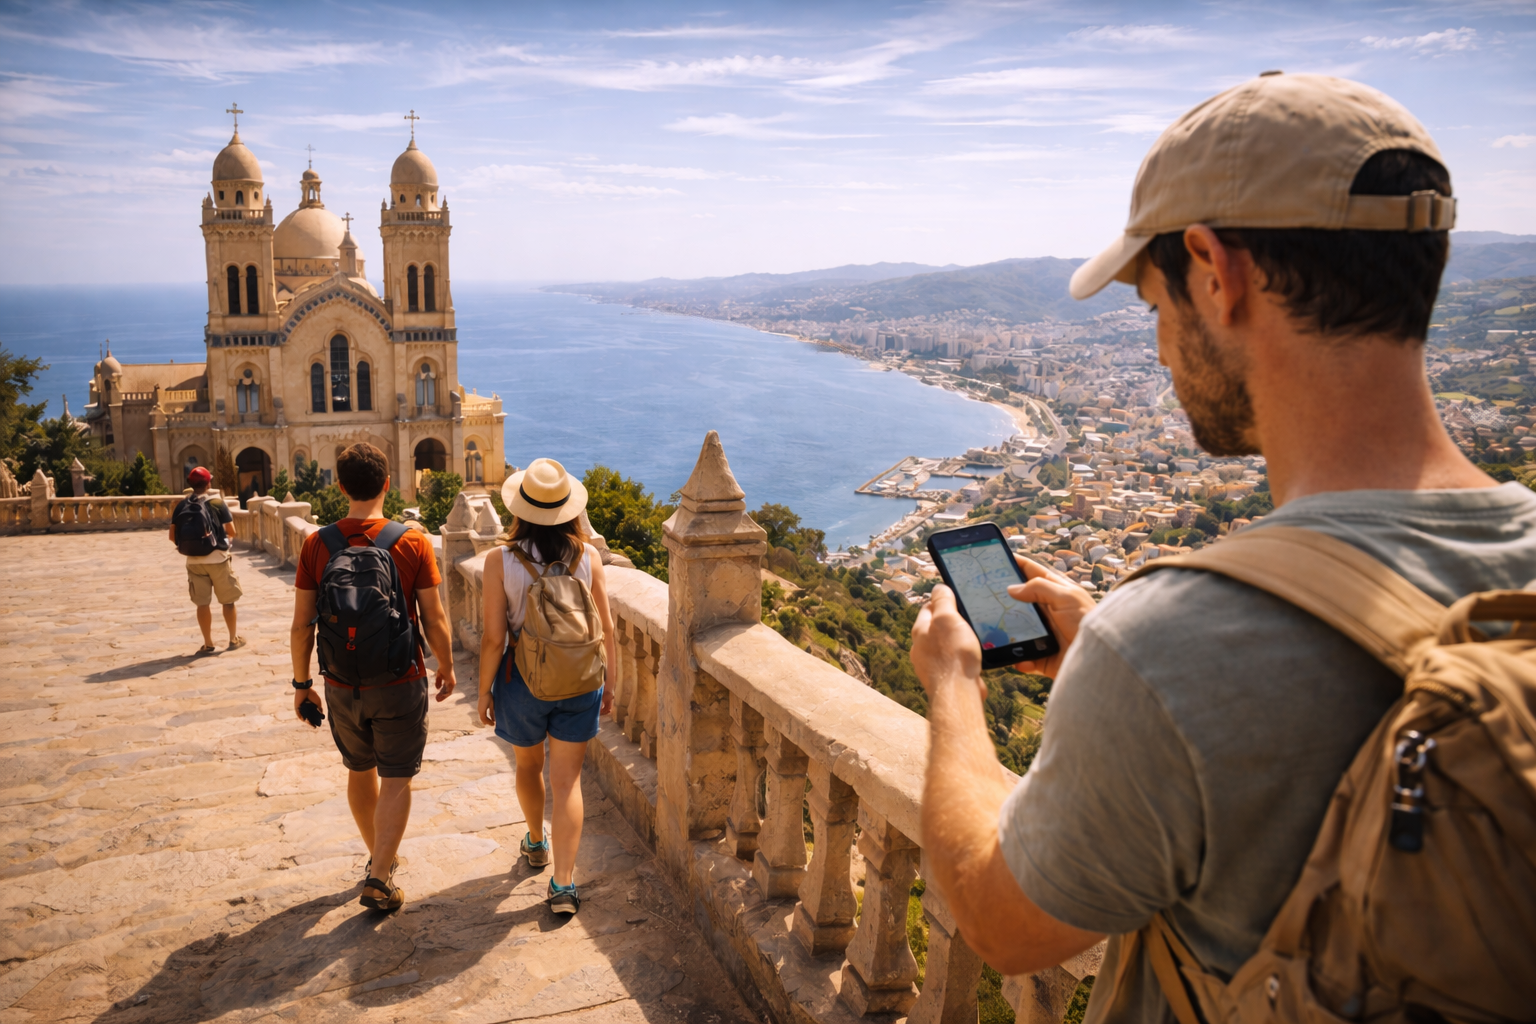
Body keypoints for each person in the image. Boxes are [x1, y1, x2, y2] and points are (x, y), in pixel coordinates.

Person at [909, 73, 1536, 1022]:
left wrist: (954, 687)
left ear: (1214, 268)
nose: (1161, 342)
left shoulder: (1173, 645)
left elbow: (1003, 926)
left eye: (1153, 300)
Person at [289, 443, 457, 913]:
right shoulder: (412, 542)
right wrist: (445, 665)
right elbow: (435, 616)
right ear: (387, 483)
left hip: (341, 682)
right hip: (400, 678)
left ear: (339, 486)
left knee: (359, 770)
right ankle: (381, 872)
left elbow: (302, 624)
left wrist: (302, 685)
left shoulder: (316, 545)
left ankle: (377, 859)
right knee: (398, 776)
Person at [477, 458, 617, 915]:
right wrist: (610, 684)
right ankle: (562, 884)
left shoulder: (500, 560)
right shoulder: (587, 556)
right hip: (580, 681)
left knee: (527, 767)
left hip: (522, 683)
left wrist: (484, 691)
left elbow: (494, 637)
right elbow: (607, 629)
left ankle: (536, 842)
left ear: (520, 509)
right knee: (568, 781)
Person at [168, 465, 244, 655]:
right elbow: (232, 531)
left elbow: (172, 536)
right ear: (209, 483)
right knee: (228, 601)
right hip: (217, 559)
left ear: (190, 484)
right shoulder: (217, 503)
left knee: (202, 603)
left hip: (194, 562)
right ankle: (233, 638)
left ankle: (208, 643)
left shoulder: (182, 505)